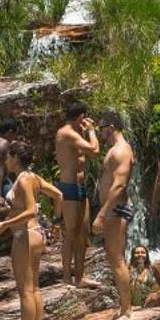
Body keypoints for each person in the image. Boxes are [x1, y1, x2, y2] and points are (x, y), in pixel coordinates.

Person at [0, 139, 64, 320]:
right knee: (34, 288)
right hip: (37, 233)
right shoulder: (33, 177)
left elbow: (31, 210)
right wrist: (55, 222)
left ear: (16, 158)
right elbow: (58, 195)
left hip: (25, 235)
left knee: (25, 291)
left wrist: (4, 224)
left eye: (8, 156)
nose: (6, 160)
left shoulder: (23, 180)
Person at [93, 110, 137, 320]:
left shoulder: (121, 151)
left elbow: (119, 185)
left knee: (117, 259)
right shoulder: (117, 149)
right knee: (115, 258)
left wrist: (101, 214)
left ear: (110, 128)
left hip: (115, 210)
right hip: (114, 210)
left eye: (100, 128)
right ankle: (125, 307)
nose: (99, 132)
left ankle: (127, 310)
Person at [52, 101, 101, 287]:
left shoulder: (75, 132)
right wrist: (91, 131)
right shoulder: (67, 133)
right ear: (80, 117)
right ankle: (66, 277)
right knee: (71, 233)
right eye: (84, 117)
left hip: (80, 187)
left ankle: (79, 277)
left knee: (83, 233)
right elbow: (95, 150)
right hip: (69, 188)